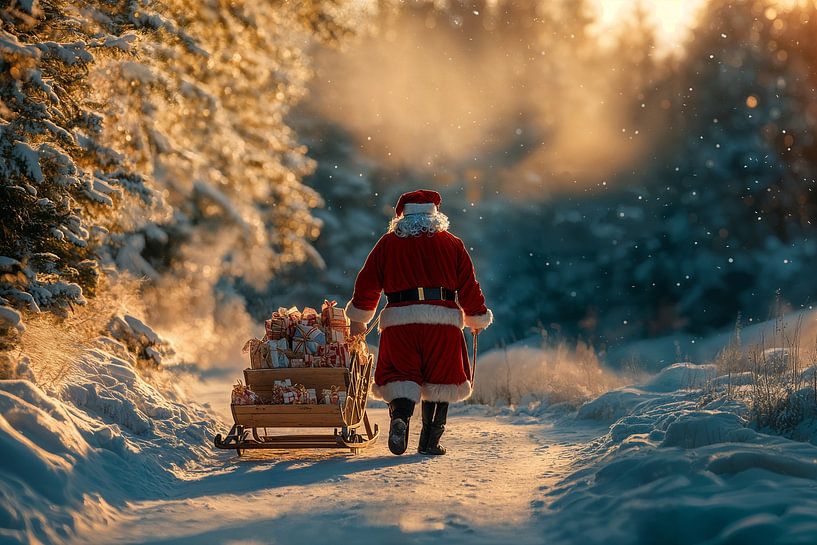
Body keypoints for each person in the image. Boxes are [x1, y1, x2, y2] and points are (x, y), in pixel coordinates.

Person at [345, 189, 493, 455]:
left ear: (403, 216)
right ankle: (430, 442)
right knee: (440, 381)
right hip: (442, 322)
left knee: (402, 375)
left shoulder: (388, 244)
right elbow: (468, 285)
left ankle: (400, 418)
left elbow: (367, 281)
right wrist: (476, 316)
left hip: (400, 322)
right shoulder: (452, 243)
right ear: (435, 215)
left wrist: (359, 317)